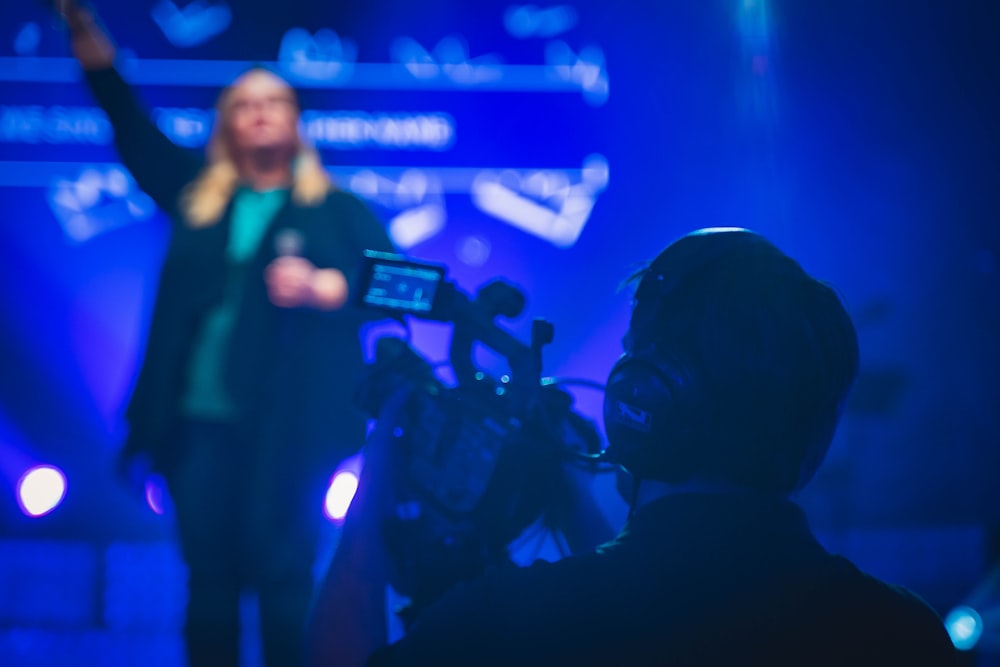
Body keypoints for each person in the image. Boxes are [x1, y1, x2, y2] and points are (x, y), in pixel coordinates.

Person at [307, 227, 959, 666]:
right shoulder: (904, 634)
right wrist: (572, 491)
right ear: (817, 436)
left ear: (637, 401)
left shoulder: (505, 626)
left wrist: (376, 481)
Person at [58, 2, 396, 665]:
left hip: (296, 426)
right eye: (245, 104)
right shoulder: (194, 193)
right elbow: (128, 124)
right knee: (207, 582)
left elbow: (399, 284)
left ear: (298, 123)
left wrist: (330, 288)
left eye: (275, 100)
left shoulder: (337, 210)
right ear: (227, 125)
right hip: (199, 423)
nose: (261, 111)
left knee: (286, 578)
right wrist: (78, 26)